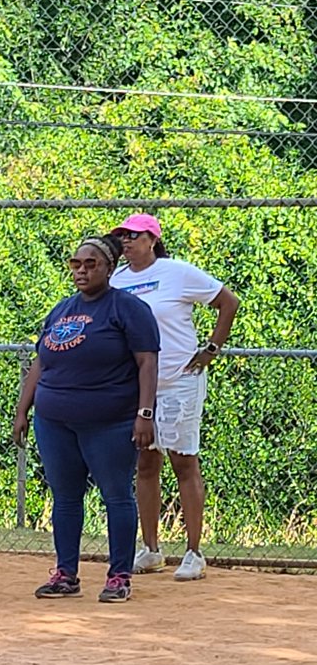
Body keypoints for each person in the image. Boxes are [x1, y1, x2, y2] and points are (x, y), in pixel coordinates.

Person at [13, 235, 160, 603]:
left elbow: (147, 362)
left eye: (91, 264)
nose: (82, 270)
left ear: (110, 268)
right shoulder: (62, 309)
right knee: (65, 497)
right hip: (54, 420)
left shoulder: (127, 309)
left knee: (116, 495)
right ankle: (66, 573)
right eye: (75, 264)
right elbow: (41, 361)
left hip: (109, 420)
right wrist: (22, 409)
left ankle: (119, 575)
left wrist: (145, 414)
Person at [110, 214, 240, 581]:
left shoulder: (177, 272)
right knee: (146, 463)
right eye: (122, 237)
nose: (126, 242)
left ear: (152, 240)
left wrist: (211, 349)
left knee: (184, 461)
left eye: (133, 236)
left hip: (179, 378)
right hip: (138, 384)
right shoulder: (117, 280)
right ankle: (151, 549)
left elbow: (228, 302)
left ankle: (194, 552)